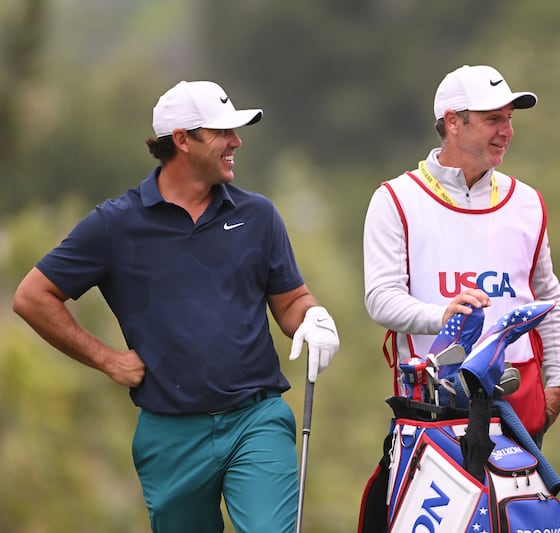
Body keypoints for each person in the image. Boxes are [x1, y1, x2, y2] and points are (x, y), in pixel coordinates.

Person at [13, 80, 340, 533]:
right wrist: (106, 359)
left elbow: (290, 301)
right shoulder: (116, 224)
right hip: (170, 433)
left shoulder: (258, 215)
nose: (236, 142)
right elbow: (33, 296)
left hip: (256, 418)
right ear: (182, 140)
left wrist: (314, 318)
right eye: (222, 133)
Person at [364, 64, 560, 436]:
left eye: (508, 119)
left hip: (519, 399)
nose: (506, 131)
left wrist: (559, 382)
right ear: (453, 122)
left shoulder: (527, 201)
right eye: (493, 119)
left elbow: (547, 295)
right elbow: (381, 298)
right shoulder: (396, 198)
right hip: (433, 399)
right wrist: (443, 315)